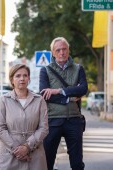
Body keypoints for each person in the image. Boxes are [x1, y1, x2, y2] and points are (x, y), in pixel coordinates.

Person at [39, 37, 88, 170]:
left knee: (77, 164)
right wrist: (69, 97)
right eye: (58, 50)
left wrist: (58, 91)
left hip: (74, 120)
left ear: (68, 50)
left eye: (64, 49)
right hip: (52, 121)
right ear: (53, 53)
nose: (62, 52)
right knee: (48, 161)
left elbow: (83, 89)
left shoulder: (78, 69)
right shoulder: (45, 70)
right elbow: (44, 95)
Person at [0, 64, 49, 170]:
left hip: (35, 153)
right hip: (9, 154)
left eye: (25, 75)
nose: (22, 79)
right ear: (12, 79)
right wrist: (17, 149)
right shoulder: (3, 100)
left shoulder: (39, 100)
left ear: (29, 78)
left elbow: (44, 128)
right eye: (18, 76)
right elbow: (0, 129)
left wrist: (27, 147)